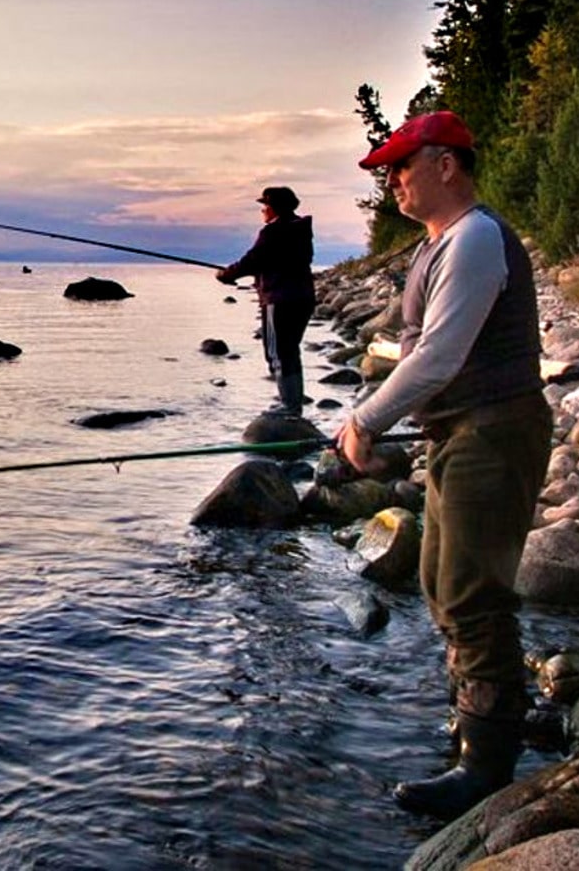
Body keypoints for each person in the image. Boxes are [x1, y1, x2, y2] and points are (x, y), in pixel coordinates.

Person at [336, 111, 551, 820]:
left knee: (470, 594)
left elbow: (439, 354)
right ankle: (484, 719)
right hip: (461, 433)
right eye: (388, 170)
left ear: (447, 165)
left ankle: (486, 767)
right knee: (438, 578)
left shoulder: (478, 237)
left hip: (493, 434)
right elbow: (424, 355)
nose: (391, 180)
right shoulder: (440, 244)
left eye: (402, 165)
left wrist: (366, 419)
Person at [216, 186, 316, 416]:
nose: (263, 211)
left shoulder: (273, 232)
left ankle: (289, 406)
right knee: (290, 350)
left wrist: (226, 275)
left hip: (279, 300)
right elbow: (271, 262)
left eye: (265, 206)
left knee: (278, 352)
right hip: (303, 298)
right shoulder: (301, 229)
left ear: (275, 208)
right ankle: (292, 404)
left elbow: (252, 261)